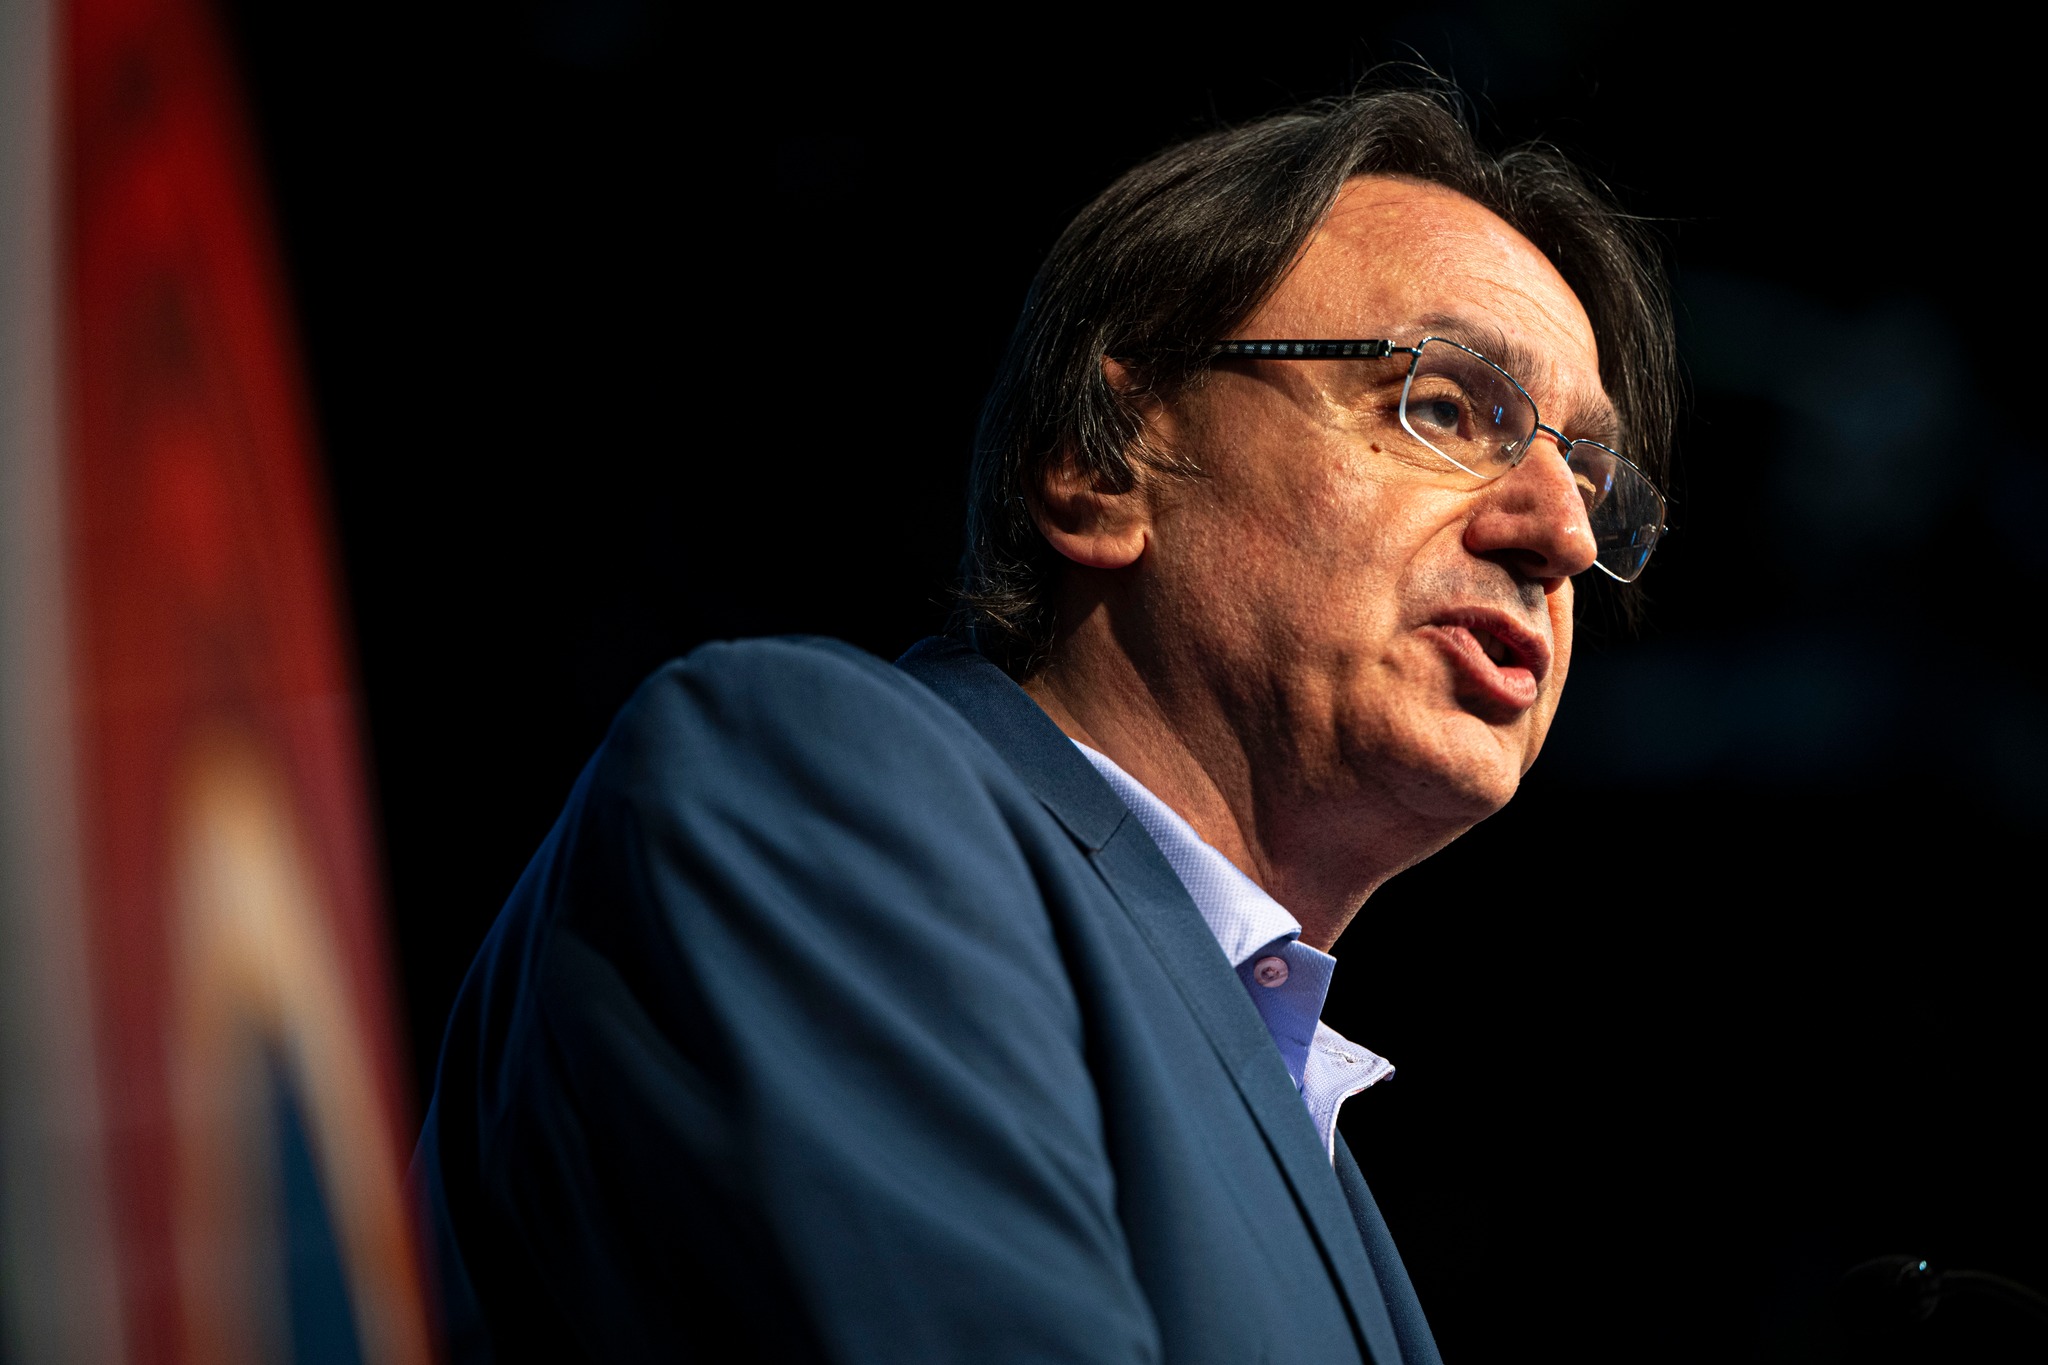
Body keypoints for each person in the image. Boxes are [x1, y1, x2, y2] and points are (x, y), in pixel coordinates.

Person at [412, 84, 1675, 1364]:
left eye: (1588, 480)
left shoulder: (1311, 1139)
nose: (1561, 536)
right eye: (1446, 407)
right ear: (1101, 466)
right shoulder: (821, 789)